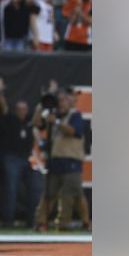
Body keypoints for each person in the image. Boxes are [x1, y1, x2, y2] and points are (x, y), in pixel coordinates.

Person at [35, 91, 87, 231]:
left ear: (70, 102)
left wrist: (56, 122)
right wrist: (42, 105)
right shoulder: (53, 116)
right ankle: (41, 222)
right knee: (48, 194)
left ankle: (80, 222)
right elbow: (36, 123)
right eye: (59, 101)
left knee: (73, 194)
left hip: (71, 161)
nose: (61, 103)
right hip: (54, 161)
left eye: (63, 100)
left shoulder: (75, 116)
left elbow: (75, 131)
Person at [0, 77, 40, 228]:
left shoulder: (30, 121)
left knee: (34, 190)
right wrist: (0, 92)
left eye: (24, 108)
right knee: (11, 190)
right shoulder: (11, 119)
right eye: (19, 108)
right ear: (16, 109)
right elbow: (3, 107)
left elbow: (41, 116)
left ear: (27, 110)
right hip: (12, 158)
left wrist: (49, 94)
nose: (22, 111)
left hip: (28, 159)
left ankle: (32, 221)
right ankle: (8, 221)